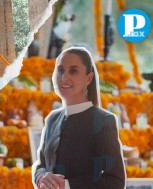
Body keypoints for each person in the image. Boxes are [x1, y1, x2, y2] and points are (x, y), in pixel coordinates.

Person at [32, 47, 126, 189]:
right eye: (61, 70)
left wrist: (68, 185)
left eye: (73, 71)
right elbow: (41, 165)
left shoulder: (103, 120)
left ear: (89, 78)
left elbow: (115, 181)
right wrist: (42, 178)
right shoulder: (52, 119)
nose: (64, 77)